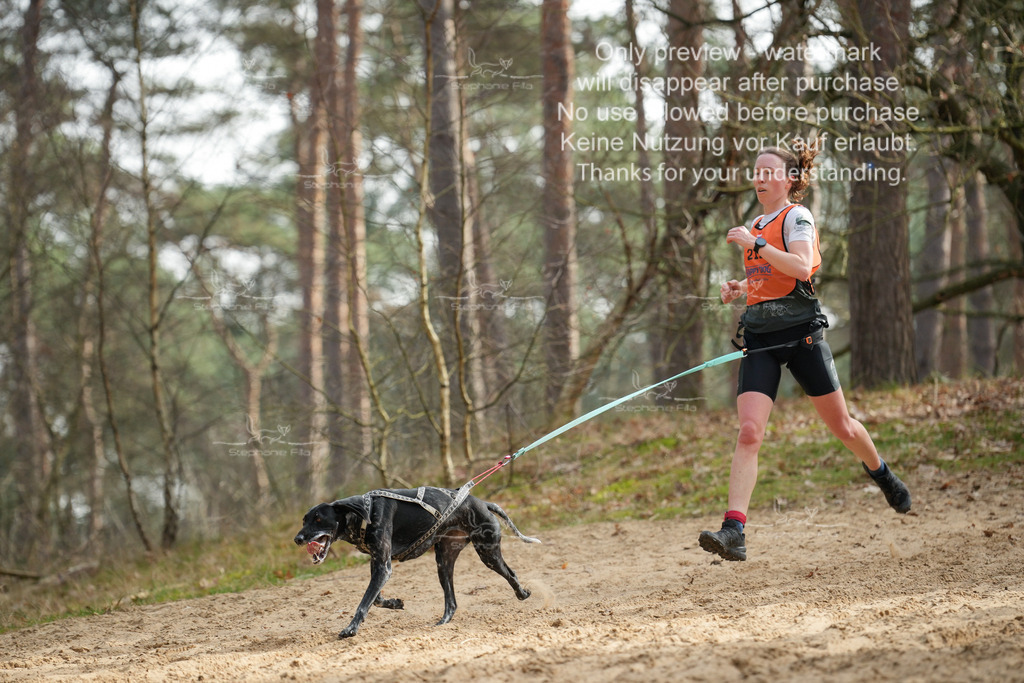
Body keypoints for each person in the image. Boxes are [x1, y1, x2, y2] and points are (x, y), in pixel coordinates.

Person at [698, 143, 911, 562]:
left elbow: (799, 267)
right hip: (760, 339)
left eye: (768, 172)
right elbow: (770, 279)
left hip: (802, 339)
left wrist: (755, 244)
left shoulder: (798, 217)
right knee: (749, 432)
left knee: (844, 428)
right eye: (755, 172)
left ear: (789, 179)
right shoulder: (757, 223)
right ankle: (734, 530)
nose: (759, 179)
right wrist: (740, 290)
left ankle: (881, 472)